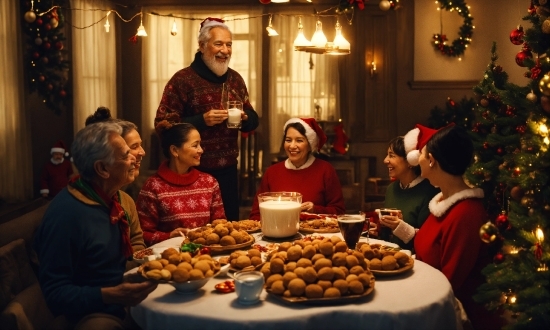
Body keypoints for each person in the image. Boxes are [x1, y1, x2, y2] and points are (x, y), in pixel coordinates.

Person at [34, 122, 157, 329]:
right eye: (127, 155)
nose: (134, 159)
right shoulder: (67, 214)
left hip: (123, 298)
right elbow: (55, 293)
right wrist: (110, 295)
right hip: (95, 312)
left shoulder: (111, 200)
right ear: (102, 169)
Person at [391, 123, 500, 329]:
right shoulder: (442, 202)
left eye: (421, 154)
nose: (417, 159)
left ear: (431, 160)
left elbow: (449, 284)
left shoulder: (466, 213)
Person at [154, 17, 259, 220]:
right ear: (202, 46)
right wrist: (202, 120)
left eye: (229, 44)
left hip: (228, 171)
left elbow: (253, 120)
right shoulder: (182, 80)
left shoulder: (235, 79)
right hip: (190, 173)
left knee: (229, 231)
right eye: (218, 43)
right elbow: (163, 125)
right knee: (197, 233)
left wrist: (245, 118)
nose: (225, 50)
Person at [137, 121, 226, 246]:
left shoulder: (209, 182)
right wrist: (169, 236)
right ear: (174, 150)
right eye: (195, 145)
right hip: (169, 258)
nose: (201, 150)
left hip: (206, 256)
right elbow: (142, 234)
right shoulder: (153, 186)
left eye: (200, 144)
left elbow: (221, 225)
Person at [85, 107, 147, 267]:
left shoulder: (125, 200)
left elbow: (136, 241)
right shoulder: (79, 208)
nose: (142, 152)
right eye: (132, 148)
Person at [249, 118, 345, 220]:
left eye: (299, 140)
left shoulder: (325, 170)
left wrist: (315, 210)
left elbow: (339, 212)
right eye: (288, 140)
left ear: (310, 145)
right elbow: (256, 215)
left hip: (315, 234)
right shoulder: (272, 172)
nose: (292, 146)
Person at [377, 136, 439, 251]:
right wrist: (377, 230)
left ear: (410, 161)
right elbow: (388, 235)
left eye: (392, 155)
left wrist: (400, 227)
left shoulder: (430, 192)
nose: (385, 160)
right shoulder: (392, 189)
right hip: (390, 256)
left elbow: (429, 242)